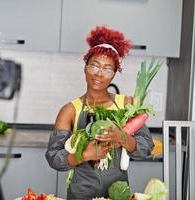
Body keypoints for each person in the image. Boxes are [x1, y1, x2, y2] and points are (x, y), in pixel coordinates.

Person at [45, 26, 154, 199]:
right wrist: (84, 155)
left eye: (107, 69)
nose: (99, 74)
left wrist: (122, 138)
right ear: (85, 67)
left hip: (117, 191)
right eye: (94, 66)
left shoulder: (126, 104)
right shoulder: (69, 110)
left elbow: (147, 147)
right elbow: (54, 158)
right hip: (80, 193)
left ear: (113, 75)